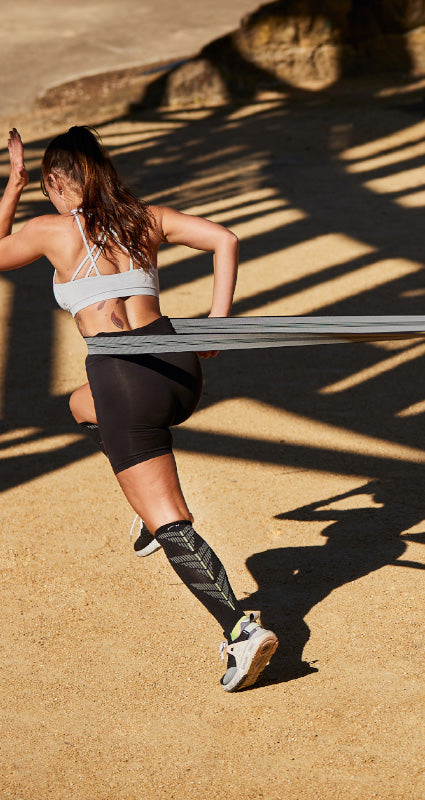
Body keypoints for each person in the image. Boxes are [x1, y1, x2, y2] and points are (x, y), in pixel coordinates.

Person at [0, 126, 278, 692]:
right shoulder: (147, 219)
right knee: (81, 405)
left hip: (124, 376)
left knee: (167, 515)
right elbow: (225, 238)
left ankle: (238, 630)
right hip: (178, 369)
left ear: (57, 183)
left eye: (48, 186)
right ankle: (149, 511)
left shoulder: (52, 231)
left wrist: (12, 187)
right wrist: (217, 322)